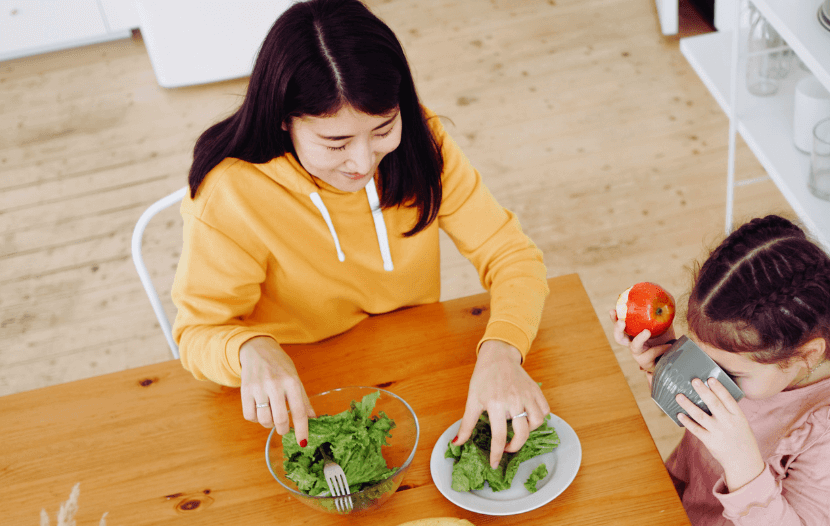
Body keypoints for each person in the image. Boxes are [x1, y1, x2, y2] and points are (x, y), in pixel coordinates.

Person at [171, 0, 549, 466]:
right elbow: (196, 332)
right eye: (335, 143)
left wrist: (501, 353)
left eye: (383, 129)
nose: (364, 162)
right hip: (298, 397)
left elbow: (510, 253)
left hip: (411, 369)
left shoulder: (421, 142)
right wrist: (250, 347)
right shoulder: (228, 193)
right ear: (284, 118)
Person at [611, 215, 830, 526]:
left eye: (727, 374)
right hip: (685, 511)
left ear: (805, 357)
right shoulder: (758, 362)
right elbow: (706, 395)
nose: (710, 377)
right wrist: (665, 364)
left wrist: (742, 460)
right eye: (701, 354)